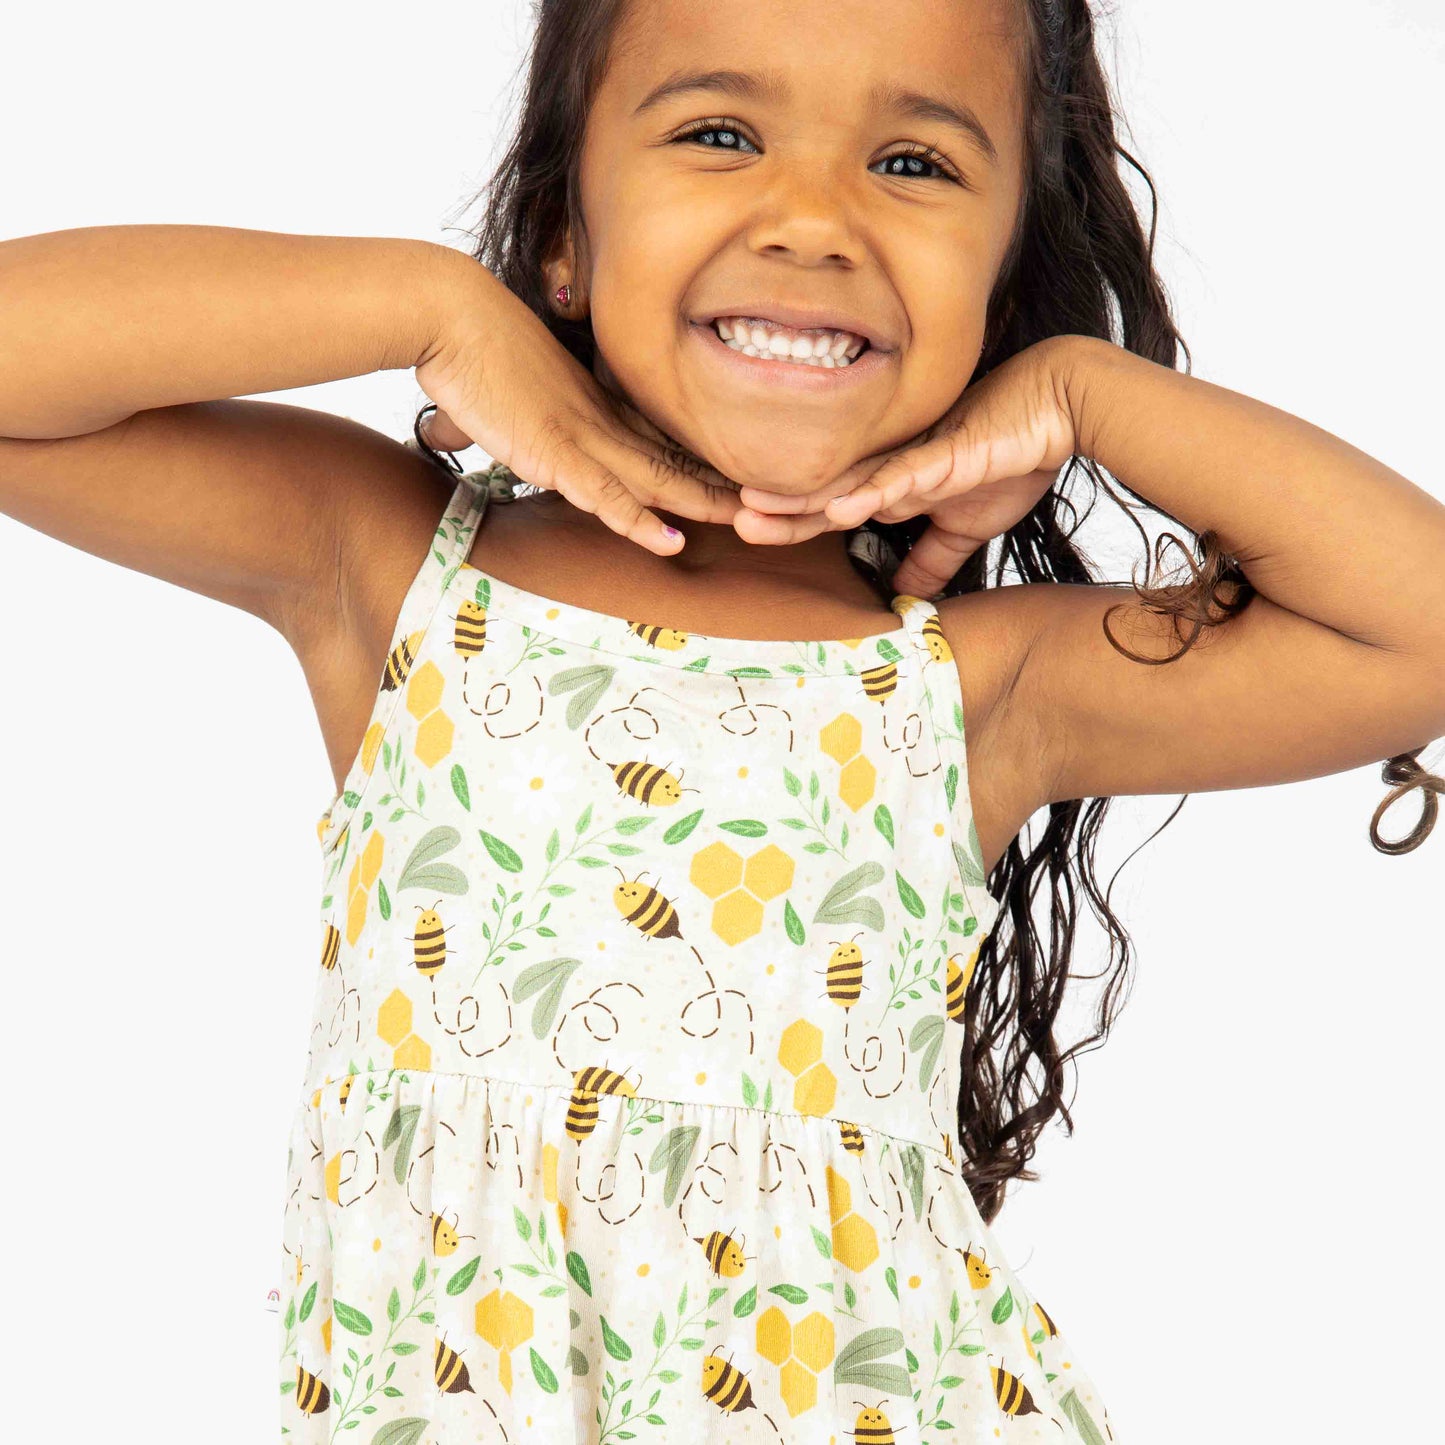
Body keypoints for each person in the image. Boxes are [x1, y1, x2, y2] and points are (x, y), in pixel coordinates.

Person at [2, 0, 1441, 1440]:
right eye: (718, 134)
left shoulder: (972, 689)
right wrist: (427, 304)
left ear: (1000, 293)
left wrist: (1082, 392)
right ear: (566, 237)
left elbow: (1418, 630)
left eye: (915, 164)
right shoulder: (390, 571)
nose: (811, 220)